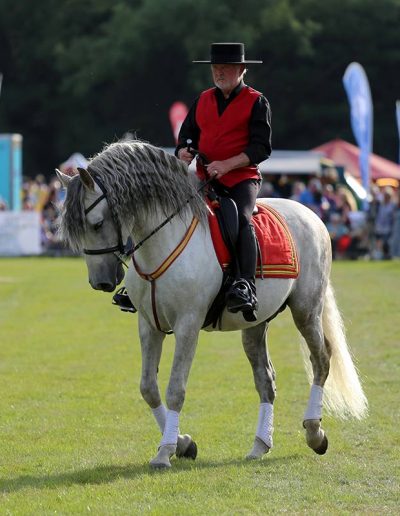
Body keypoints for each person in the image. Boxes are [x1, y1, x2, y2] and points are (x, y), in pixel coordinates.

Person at [176, 42, 272, 321]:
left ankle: (245, 284)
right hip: (205, 178)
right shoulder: (203, 99)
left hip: (242, 179)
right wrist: (183, 150)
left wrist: (228, 164)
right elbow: (186, 136)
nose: (219, 73)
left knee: (241, 219)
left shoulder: (257, 101)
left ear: (241, 70)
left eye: (226, 69)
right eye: (216, 69)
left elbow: (261, 148)